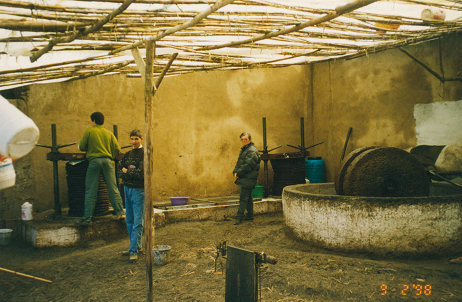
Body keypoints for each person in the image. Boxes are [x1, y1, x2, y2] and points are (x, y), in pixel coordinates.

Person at [78, 112, 125, 226]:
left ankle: (87, 218)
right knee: (113, 188)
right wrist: (111, 156)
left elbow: (82, 147)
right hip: (108, 162)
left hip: (94, 162)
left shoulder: (90, 131)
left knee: (91, 190)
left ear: (93, 121)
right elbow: (117, 148)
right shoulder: (109, 133)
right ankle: (120, 213)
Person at [120, 130, 145, 262]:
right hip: (127, 188)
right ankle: (135, 246)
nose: (134, 141)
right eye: (131, 139)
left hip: (138, 190)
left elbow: (141, 174)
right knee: (129, 219)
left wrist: (127, 171)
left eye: (136, 139)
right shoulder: (127, 154)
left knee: (137, 221)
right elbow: (120, 170)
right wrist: (130, 172)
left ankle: (133, 251)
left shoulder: (144, 154)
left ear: (141, 139)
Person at [233, 132, 260, 225]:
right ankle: (250, 216)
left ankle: (238, 218)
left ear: (250, 140)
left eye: (246, 139)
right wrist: (235, 171)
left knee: (243, 198)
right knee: (248, 198)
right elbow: (239, 162)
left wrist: (238, 172)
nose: (244, 141)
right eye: (242, 139)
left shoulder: (251, 151)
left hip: (249, 177)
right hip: (246, 177)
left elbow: (248, 165)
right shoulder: (245, 149)